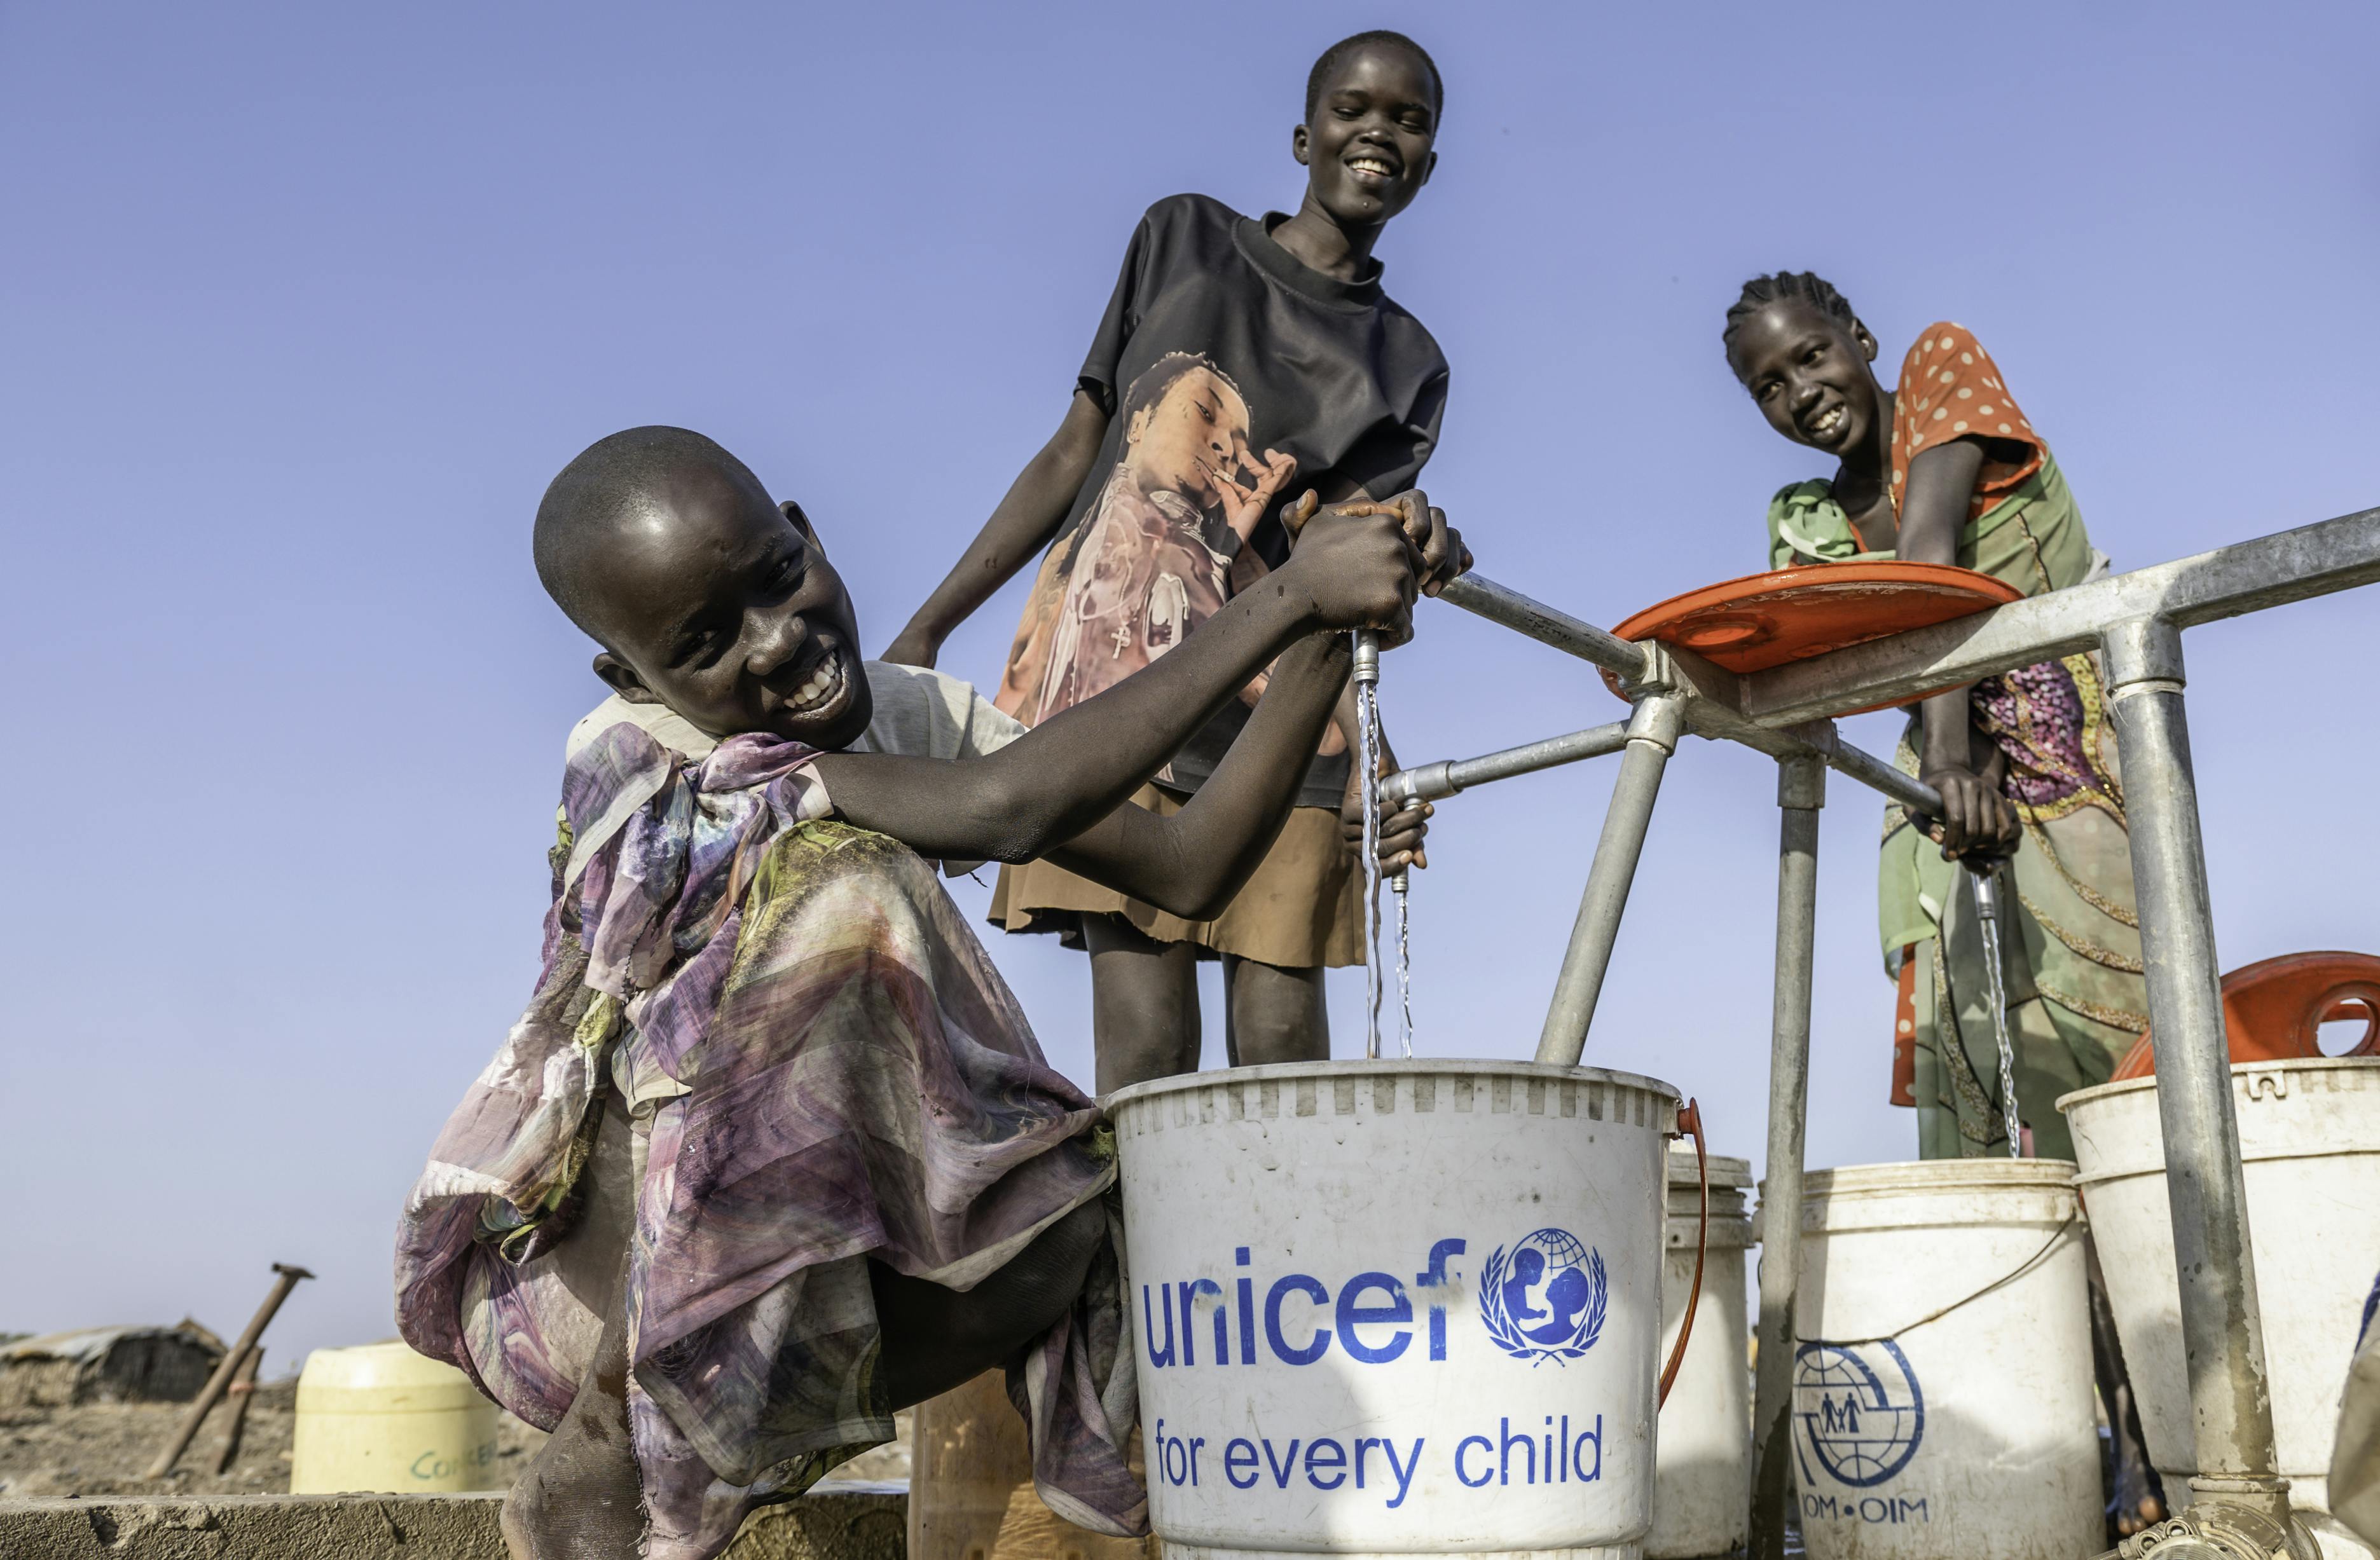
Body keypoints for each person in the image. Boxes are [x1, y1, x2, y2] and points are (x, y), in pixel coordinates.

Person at [394, 426, 1459, 1560]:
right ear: (634, 674)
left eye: (778, 579)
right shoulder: (638, 749)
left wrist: (1320, 642)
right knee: (848, 889)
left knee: (1088, 1210)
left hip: (815, 1304)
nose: (778, 643)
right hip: (602, 1283)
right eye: (707, 642)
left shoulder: (911, 719)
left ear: (804, 533)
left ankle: (781, 1441)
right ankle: (611, 1442)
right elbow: (1006, 808)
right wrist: (1290, 593)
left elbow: (1189, 866)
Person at [882, 29, 1457, 1093]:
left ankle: (1299, 1260)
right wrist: (927, 627)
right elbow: (1073, 450)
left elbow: (1346, 572)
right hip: (1115, 690)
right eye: (1353, 108)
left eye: (1411, 120)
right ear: (1304, 133)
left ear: (1430, 162)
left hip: (1277, 716)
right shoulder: (1182, 238)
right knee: (1146, 1051)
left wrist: (1374, 762)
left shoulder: (1409, 361)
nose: (1379, 131)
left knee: (1283, 1050)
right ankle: (1144, 1265)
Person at [1723, 273, 2165, 1536]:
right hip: (1940, 819)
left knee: (2111, 1111)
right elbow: (1809, 663)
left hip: (2066, 789)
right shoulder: (1802, 517)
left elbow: (1933, 562)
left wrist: (1961, 755)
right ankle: (2043, 1471)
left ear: (1858, 341)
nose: (1804, 392)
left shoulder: (1943, 372)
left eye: (1813, 357)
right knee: (1987, 1145)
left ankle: (2168, 1453)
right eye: (1770, 385)